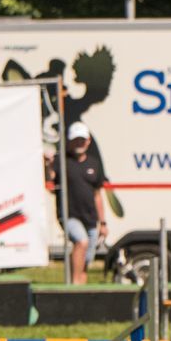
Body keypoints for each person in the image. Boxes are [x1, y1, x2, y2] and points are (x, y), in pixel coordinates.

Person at [55, 121, 108, 285]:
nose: (79, 143)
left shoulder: (94, 163)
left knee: (86, 260)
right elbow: (51, 179)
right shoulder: (62, 161)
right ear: (70, 141)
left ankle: (80, 290)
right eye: (76, 139)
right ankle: (73, 285)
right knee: (81, 241)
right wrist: (48, 164)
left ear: (88, 141)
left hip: (90, 218)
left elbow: (97, 195)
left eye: (82, 139)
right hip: (69, 215)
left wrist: (103, 223)